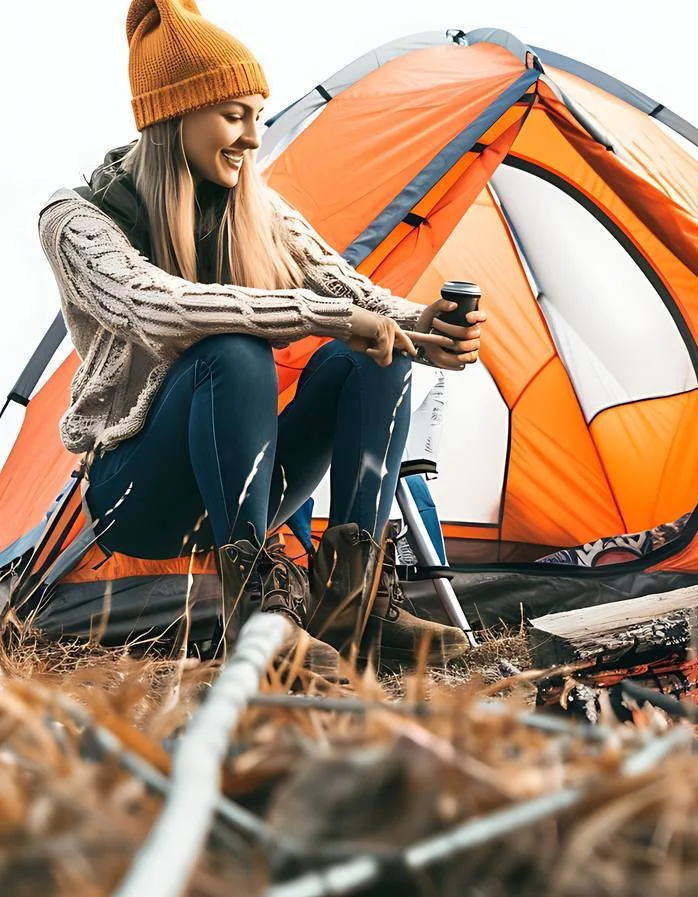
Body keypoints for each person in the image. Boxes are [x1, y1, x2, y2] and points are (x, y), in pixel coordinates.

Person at [38, 0, 488, 671]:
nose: (253, 136)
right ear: (177, 113)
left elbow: (354, 294)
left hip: (241, 475)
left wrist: (424, 328)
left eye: (256, 114)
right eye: (234, 115)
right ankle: (261, 617)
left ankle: (352, 607)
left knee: (378, 358)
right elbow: (161, 309)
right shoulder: (76, 220)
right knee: (232, 350)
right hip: (137, 493)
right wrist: (328, 317)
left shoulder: (254, 203)